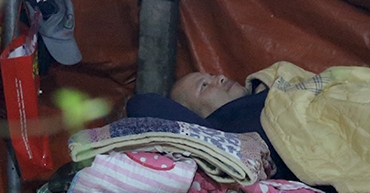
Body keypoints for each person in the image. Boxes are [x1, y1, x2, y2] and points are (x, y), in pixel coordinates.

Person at [126, 71, 295, 180]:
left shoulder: (269, 89)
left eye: (212, 75)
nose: (221, 77)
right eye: (204, 86)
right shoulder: (223, 131)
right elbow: (141, 104)